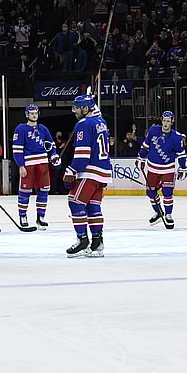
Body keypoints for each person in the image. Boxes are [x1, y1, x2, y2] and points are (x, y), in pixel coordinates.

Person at [64, 94, 111, 257]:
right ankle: (97, 243)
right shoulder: (101, 122)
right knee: (93, 206)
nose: (75, 110)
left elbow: (83, 154)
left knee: (75, 202)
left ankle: (82, 240)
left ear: (85, 108)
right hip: (103, 172)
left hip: (89, 171)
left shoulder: (83, 124)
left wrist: (71, 171)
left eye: (77, 107)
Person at [137, 111, 187, 229]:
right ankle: (158, 212)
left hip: (168, 169)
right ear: (162, 120)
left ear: (172, 122)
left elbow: (181, 154)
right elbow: (146, 145)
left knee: (167, 193)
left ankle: (168, 214)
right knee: (150, 192)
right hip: (153, 168)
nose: (166, 123)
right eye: (164, 121)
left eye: (168, 121)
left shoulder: (177, 137)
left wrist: (183, 167)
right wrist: (141, 157)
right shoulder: (153, 130)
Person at [13, 104, 59, 230]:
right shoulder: (21, 129)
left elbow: (51, 145)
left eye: (36, 113)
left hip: (43, 164)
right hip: (29, 165)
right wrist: (21, 165)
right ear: (27, 114)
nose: (34, 115)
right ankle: (23, 216)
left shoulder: (43, 129)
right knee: (25, 192)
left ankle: (41, 217)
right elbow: (17, 150)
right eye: (32, 113)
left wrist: (54, 155)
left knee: (44, 191)